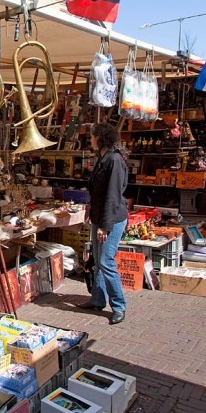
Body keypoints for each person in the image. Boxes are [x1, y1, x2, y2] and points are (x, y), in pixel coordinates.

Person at [79, 123, 129, 325]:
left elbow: (112, 196)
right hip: (100, 217)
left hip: (112, 219)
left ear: (100, 138)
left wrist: (104, 226)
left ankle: (119, 306)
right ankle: (98, 299)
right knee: (98, 261)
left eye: (92, 137)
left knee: (107, 262)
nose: (90, 140)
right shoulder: (104, 158)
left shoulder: (115, 160)